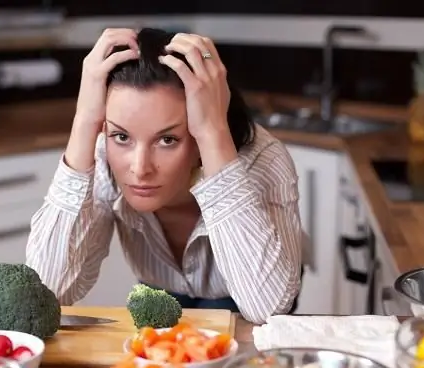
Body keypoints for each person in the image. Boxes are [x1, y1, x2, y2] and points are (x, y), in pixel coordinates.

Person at [26, 27, 303, 325]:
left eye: (167, 140)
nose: (140, 168)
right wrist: (83, 121)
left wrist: (213, 132)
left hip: (247, 294)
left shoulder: (262, 160)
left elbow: (267, 309)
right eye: (121, 136)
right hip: (159, 288)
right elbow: (46, 291)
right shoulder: (102, 155)